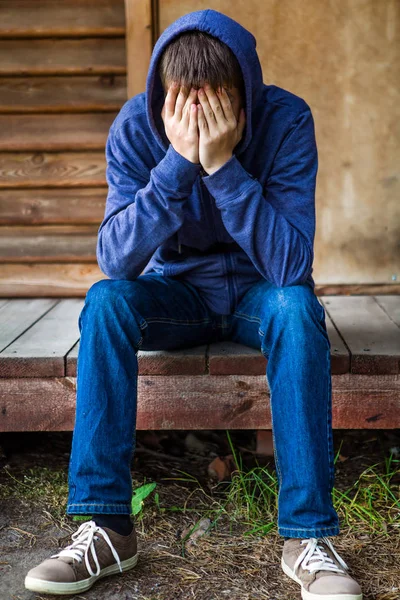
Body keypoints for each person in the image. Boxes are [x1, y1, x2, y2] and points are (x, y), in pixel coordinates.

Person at [24, 9, 363, 599]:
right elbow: (117, 258)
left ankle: (307, 536)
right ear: (164, 97)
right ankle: (105, 527)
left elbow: (290, 267)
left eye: (219, 102)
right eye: (185, 103)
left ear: (246, 94)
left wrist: (224, 167)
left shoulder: (286, 120)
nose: (200, 118)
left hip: (261, 293)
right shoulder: (137, 125)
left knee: (296, 308)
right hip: (177, 295)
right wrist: (178, 164)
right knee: (106, 303)